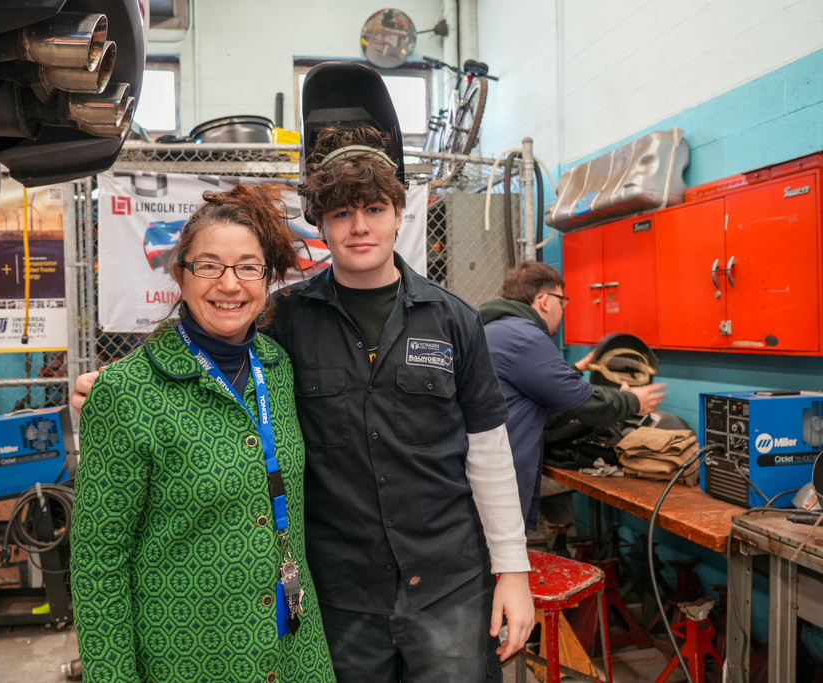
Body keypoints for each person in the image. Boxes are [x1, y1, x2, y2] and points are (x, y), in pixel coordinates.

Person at [74, 126, 534, 682]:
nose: (359, 226)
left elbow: (488, 452)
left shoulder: (454, 318)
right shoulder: (285, 320)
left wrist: (513, 570)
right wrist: (119, 385)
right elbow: (212, 342)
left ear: (399, 214)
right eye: (340, 213)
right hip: (339, 595)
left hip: (449, 584)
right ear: (319, 224)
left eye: (374, 208)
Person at [70, 183, 335, 682]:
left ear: (267, 278)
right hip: (187, 659)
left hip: (293, 650)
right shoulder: (128, 392)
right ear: (181, 275)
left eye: (247, 267)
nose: (229, 284)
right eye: (209, 266)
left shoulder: (276, 368)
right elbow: (98, 565)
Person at [478, 260, 667, 529]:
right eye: (562, 302)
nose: (562, 310)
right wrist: (634, 401)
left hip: (482, 467)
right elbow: (583, 402)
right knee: (498, 559)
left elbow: (537, 384)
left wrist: (577, 368)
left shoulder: (497, 330)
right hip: (497, 476)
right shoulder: (526, 338)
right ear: (544, 301)